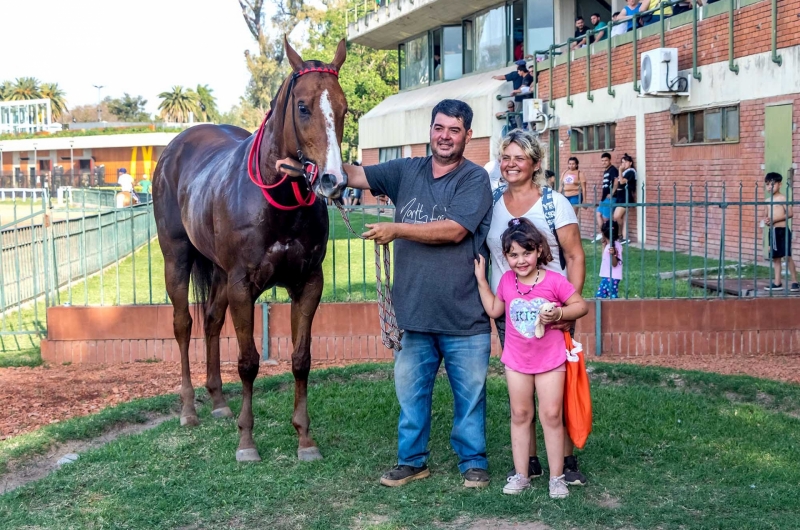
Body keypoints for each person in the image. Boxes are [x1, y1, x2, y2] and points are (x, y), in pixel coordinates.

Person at [277, 100, 495, 488]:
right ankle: (412, 461)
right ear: (430, 130)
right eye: (439, 128)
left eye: (454, 130)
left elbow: (455, 230)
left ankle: (473, 462)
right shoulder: (406, 170)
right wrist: (311, 165)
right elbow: (354, 175)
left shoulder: (474, 179)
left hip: (464, 315)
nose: (445, 136)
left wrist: (398, 229)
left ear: (467, 135)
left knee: (470, 399)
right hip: (412, 312)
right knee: (411, 398)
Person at [487, 129, 588, 487]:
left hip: (552, 313)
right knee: (521, 393)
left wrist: (564, 309)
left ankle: (567, 464)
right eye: (506, 157)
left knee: (554, 395)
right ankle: (527, 463)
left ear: (535, 163)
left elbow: (574, 256)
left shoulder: (554, 203)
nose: (511, 164)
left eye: (519, 158)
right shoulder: (492, 199)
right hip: (512, 309)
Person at [474, 218, 588, 499]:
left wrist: (559, 314)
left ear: (539, 251)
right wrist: (480, 280)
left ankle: (557, 478)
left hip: (550, 361)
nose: (521, 260)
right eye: (513, 255)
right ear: (506, 257)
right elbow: (494, 309)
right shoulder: (506, 282)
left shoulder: (553, 281)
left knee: (551, 415)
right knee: (521, 415)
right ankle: (522, 475)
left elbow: (580, 306)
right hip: (517, 362)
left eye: (527, 252)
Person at [762, 172, 799, 291]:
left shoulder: (782, 198)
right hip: (773, 231)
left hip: (782, 231)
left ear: (780, 184)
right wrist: (767, 220)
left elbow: (790, 213)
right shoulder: (767, 201)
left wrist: (775, 219)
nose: (769, 187)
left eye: (772, 184)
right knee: (776, 258)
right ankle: (777, 282)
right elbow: (766, 216)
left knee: (787, 256)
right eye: (767, 184)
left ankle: (795, 282)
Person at [613, 153, 637, 244]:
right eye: (622, 162)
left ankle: (622, 235)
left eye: (625, 162)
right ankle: (623, 236)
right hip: (619, 195)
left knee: (617, 216)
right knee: (620, 217)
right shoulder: (624, 172)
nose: (623, 164)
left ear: (630, 163)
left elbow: (622, 182)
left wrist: (619, 170)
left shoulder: (631, 171)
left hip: (625, 196)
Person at [596, 220, 623, 298]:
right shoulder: (613, 246)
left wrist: (613, 254)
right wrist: (603, 245)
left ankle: (617, 309)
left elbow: (614, 264)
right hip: (607, 276)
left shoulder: (613, 247)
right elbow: (604, 259)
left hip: (611, 277)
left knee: (612, 298)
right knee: (600, 297)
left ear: (603, 234)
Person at [595, 152, 618, 242]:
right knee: (598, 214)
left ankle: (607, 237)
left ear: (610, 160)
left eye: (606, 160)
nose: (604, 162)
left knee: (606, 218)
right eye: (602, 161)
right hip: (604, 198)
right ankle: (603, 233)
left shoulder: (613, 170)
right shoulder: (606, 171)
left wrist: (612, 193)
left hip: (610, 198)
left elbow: (616, 181)